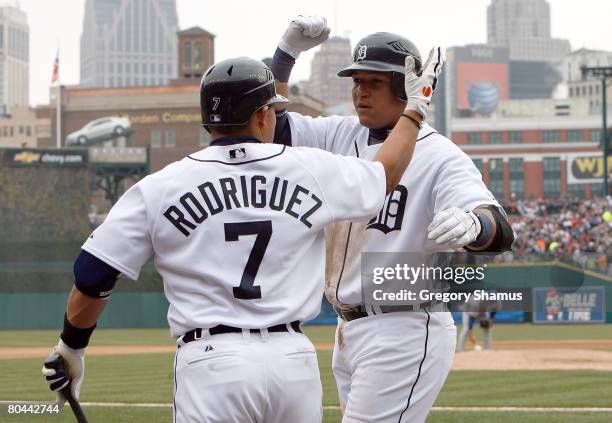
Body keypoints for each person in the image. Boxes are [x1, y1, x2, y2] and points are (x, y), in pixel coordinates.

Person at [41, 55, 438, 422]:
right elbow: (384, 174)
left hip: (211, 363)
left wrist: (71, 346)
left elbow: (93, 274)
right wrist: (414, 109)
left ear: (206, 120)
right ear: (264, 115)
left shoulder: (161, 185)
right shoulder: (310, 169)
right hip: (291, 363)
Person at [270, 16, 514, 423]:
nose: (360, 93)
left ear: (407, 88)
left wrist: (477, 225)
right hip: (349, 326)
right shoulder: (339, 135)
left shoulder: (439, 154)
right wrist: (284, 56)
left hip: (405, 323)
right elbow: (272, 128)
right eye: (356, 82)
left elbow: (498, 227)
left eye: (374, 83)